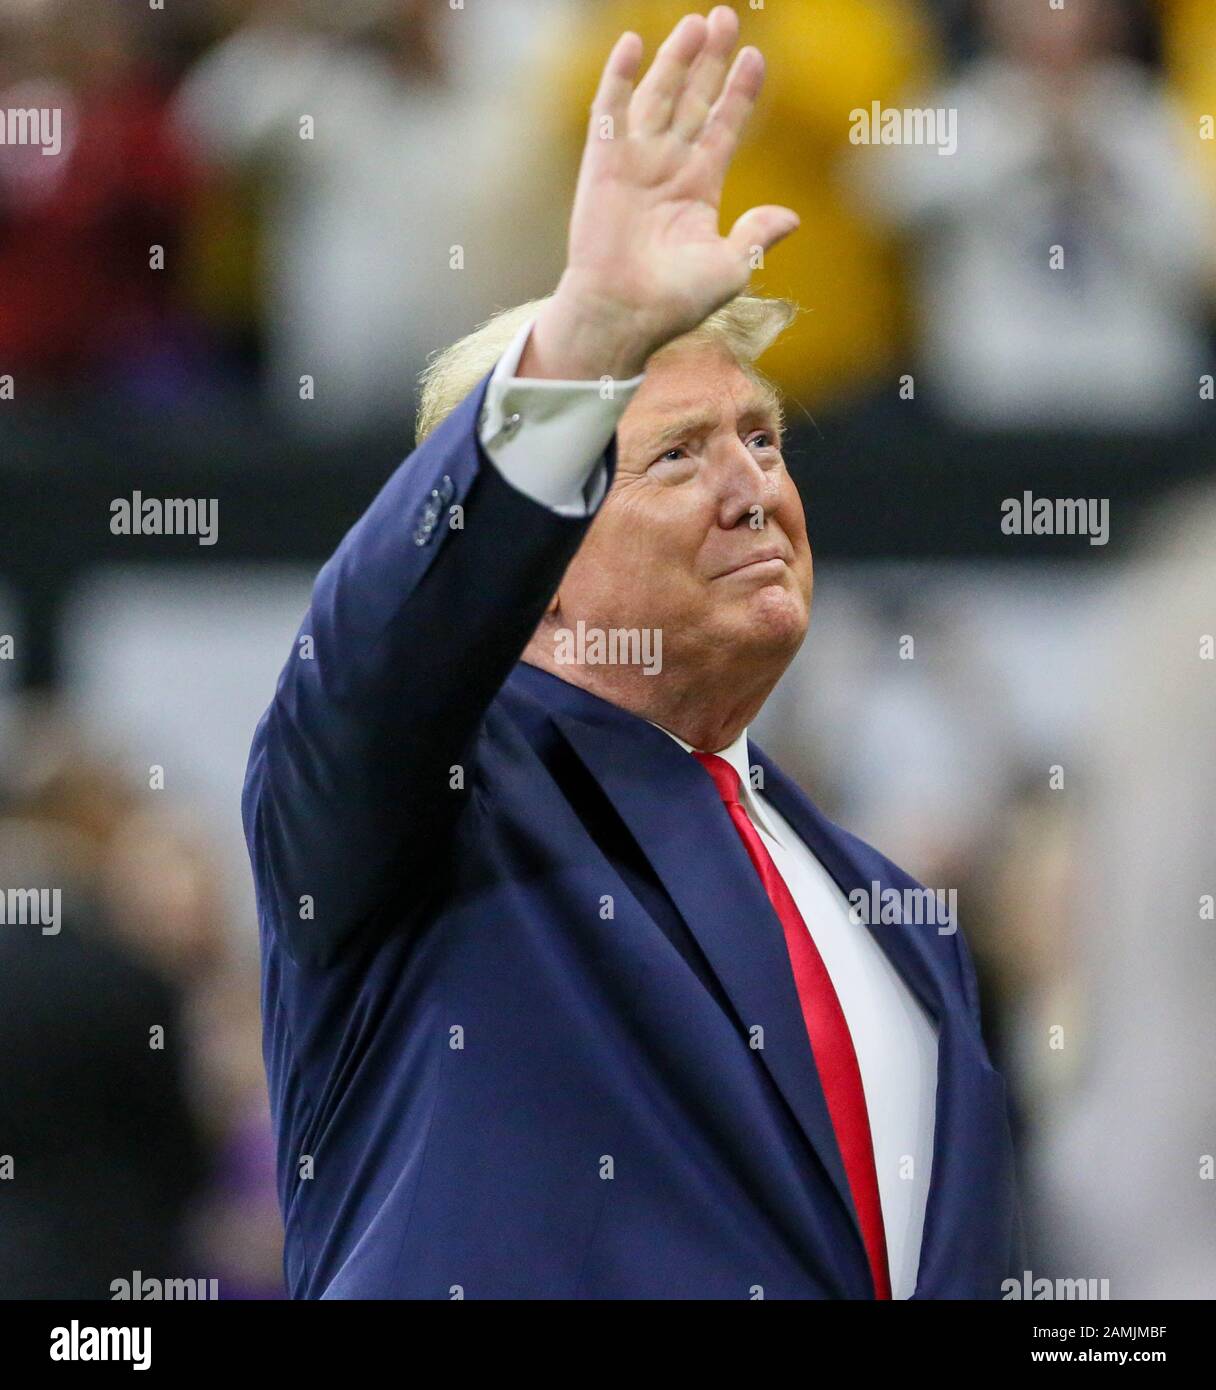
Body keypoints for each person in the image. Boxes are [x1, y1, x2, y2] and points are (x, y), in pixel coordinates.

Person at [244, 7, 1020, 1299]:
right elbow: (375, 661)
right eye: (675, 454)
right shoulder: (432, 808)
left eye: (764, 441)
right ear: (526, 565)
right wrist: (589, 339)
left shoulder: (898, 923)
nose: (751, 488)